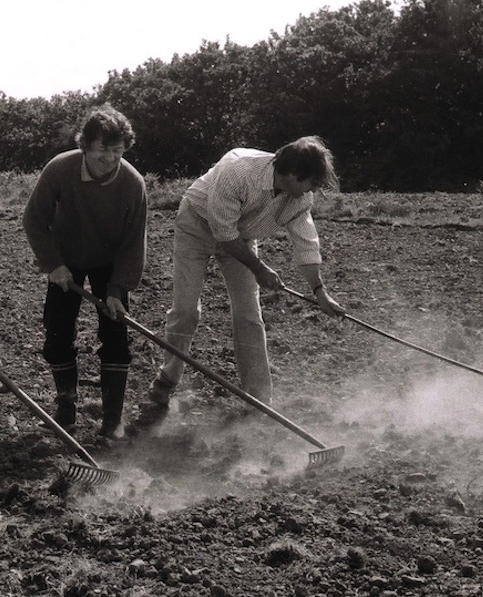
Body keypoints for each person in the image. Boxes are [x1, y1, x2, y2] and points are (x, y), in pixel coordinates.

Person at [137, 135, 345, 426]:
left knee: (249, 314)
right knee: (186, 310)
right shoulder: (239, 171)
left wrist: (319, 291)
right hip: (197, 224)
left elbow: (305, 243)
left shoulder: (299, 197)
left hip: (243, 236)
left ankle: (258, 400)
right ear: (295, 175)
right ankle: (166, 380)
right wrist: (260, 268)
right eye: (313, 182)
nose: (315, 190)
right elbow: (223, 232)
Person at [22, 104, 147, 441]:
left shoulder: (133, 184)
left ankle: (111, 421)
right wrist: (54, 264)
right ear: (86, 146)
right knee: (58, 332)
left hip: (110, 260)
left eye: (117, 150)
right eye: (102, 149)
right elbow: (34, 219)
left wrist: (117, 289)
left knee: (116, 336)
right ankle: (66, 406)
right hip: (67, 257)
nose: (109, 158)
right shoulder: (60, 170)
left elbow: (134, 242)